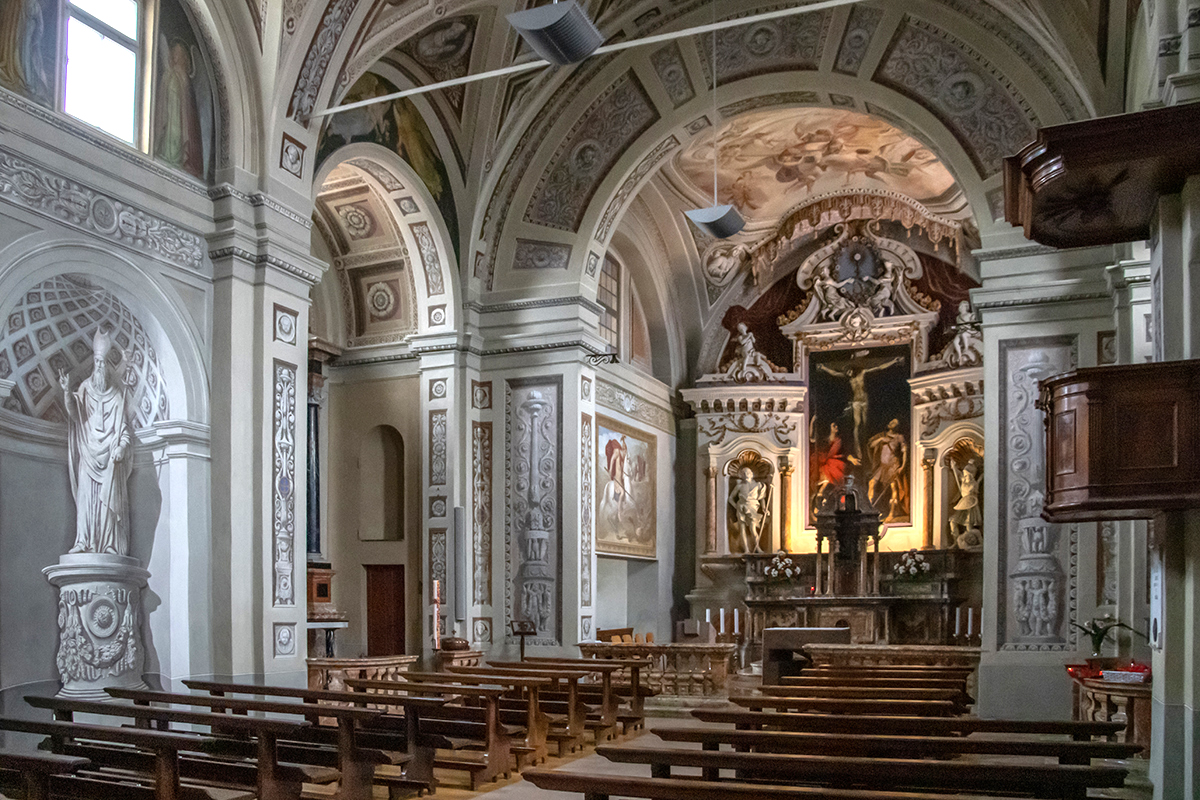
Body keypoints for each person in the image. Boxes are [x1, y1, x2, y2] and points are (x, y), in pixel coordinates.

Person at [58, 329, 132, 556]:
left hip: (110, 460)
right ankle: (84, 541)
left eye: (102, 363)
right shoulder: (86, 389)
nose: (99, 367)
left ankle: (109, 545)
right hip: (88, 457)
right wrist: (66, 394)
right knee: (86, 501)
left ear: (108, 365)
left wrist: (120, 447)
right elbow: (75, 415)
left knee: (106, 507)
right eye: (96, 362)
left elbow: (124, 431)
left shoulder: (117, 397)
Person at [816, 356, 902, 458]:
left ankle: (865, 445)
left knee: (865, 424)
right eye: (847, 373)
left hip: (864, 401)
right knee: (857, 425)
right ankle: (857, 448)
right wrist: (823, 368)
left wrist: (893, 361)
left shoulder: (862, 373)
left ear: (852, 370)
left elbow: (879, 367)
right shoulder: (849, 378)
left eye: (850, 372)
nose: (849, 374)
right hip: (856, 402)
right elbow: (834, 373)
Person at [810, 420, 859, 506]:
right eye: (834, 426)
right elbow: (812, 440)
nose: (836, 427)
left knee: (833, 470)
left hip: (834, 463)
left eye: (837, 426)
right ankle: (820, 498)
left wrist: (852, 459)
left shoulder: (839, 440)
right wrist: (812, 422)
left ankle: (838, 500)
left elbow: (845, 453)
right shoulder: (824, 440)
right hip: (823, 462)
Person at [867, 418, 908, 521]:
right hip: (882, 465)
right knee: (872, 483)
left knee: (893, 488)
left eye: (895, 423)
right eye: (891, 422)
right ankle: (868, 509)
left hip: (893, 465)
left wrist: (902, 466)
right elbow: (870, 445)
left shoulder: (899, 437)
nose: (891, 423)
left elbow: (904, 452)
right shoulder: (882, 436)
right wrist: (881, 440)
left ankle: (892, 513)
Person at [728, 467, 767, 554]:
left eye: (748, 472)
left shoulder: (758, 485)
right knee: (742, 529)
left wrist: (764, 508)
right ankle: (746, 549)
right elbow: (730, 498)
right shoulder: (739, 486)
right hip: (741, 507)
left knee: (753, 529)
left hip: (752, 507)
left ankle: (757, 547)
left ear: (752, 474)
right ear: (742, 475)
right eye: (744, 473)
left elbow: (762, 498)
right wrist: (736, 506)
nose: (746, 474)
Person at [950, 461, 982, 545]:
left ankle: (971, 544)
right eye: (965, 474)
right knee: (952, 521)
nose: (966, 476)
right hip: (962, 504)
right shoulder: (963, 482)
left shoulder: (975, 483)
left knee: (969, 525)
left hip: (971, 505)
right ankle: (956, 542)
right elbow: (957, 474)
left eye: (968, 474)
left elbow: (980, 479)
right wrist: (954, 466)